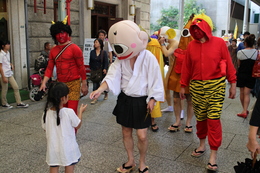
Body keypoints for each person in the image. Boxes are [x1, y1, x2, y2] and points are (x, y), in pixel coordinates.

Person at [90, 20, 164, 173]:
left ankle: (142, 162)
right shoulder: (121, 58)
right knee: (126, 132)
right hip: (125, 98)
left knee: (142, 135)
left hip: (142, 100)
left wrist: (152, 98)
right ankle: (131, 160)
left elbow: (156, 79)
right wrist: (99, 90)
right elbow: (111, 76)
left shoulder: (148, 57)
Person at [180, 14, 237, 171]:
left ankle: (213, 155)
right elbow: (187, 67)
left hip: (216, 87)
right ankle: (202, 145)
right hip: (197, 87)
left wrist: (233, 83)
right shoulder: (191, 45)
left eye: (199, 27)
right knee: (201, 119)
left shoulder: (219, 43)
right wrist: (183, 85)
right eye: (194, 28)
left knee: (213, 119)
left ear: (206, 27)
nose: (197, 31)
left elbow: (230, 64)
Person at [39, 17, 88, 115]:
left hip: (74, 84)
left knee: (71, 112)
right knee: (61, 112)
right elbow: (49, 68)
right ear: (54, 35)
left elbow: (81, 67)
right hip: (60, 85)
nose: (60, 36)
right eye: (57, 33)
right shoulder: (53, 50)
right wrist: (44, 82)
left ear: (67, 32)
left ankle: (73, 131)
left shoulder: (75, 49)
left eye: (62, 32)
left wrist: (84, 84)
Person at [159, 15, 194, 133]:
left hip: (190, 74)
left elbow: (166, 54)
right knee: (176, 99)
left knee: (190, 99)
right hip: (176, 73)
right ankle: (178, 120)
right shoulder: (177, 44)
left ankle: (188, 122)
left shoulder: (192, 45)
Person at [42, 82, 87, 173]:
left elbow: (45, 128)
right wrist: (81, 112)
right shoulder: (68, 112)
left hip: (53, 148)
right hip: (68, 148)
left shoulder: (46, 113)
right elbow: (77, 125)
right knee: (69, 167)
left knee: (54, 167)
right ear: (63, 98)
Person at [0, 40, 29, 108]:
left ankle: (19, 102)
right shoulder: (1, 54)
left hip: (9, 73)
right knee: (5, 89)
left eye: (9, 44)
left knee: (16, 87)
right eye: (7, 44)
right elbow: (0, 66)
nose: (9, 45)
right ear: (3, 46)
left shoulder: (8, 53)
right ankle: (4, 103)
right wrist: (3, 76)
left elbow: (7, 62)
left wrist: (11, 64)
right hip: (3, 74)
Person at [158, 26, 179, 113]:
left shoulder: (175, 43)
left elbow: (166, 54)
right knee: (166, 87)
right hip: (170, 68)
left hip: (176, 70)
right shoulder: (170, 43)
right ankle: (170, 106)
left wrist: (162, 44)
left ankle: (180, 110)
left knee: (176, 91)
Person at [236, 34, 258, 118]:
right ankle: (245, 110)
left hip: (242, 74)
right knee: (247, 93)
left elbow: (238, 64)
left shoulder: (240, 52)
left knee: (242, 92)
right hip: (251, 75)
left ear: (245, 43)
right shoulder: (256, 52)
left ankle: (244, 110)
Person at [146, 37, 165, 132]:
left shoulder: (153, 44)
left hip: (151, 74)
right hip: (146, 74)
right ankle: (152, 121)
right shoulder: (156, 44)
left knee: (151, 95)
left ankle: (151, 120)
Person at [89, 38, 108, 104]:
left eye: (96, 42)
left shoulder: (104, 52)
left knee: (103, 84)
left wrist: (105, 68)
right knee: (95, 84)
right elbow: (90, 61)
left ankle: (106, 93)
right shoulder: (92, 52)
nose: (95, 44)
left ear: (100, 44)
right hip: (94, 70)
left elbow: (106, 62)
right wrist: (91, 69)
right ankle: (95, 98)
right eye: (94, 42)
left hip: (102, 70)